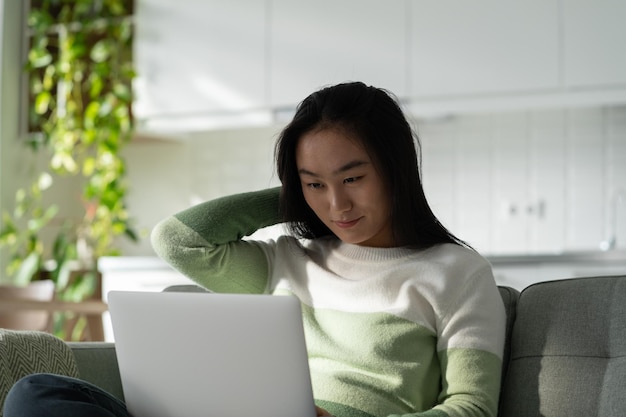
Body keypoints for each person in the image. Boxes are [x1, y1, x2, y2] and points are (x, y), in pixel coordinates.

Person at [3, 82, 505, 417]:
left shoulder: (456, 271)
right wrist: (294, 196)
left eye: (352, 177)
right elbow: (178, 240)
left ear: (396, 168)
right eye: (314, 184)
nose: (337, 204)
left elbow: (471, 407)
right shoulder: (285, 259)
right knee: (35, 394)